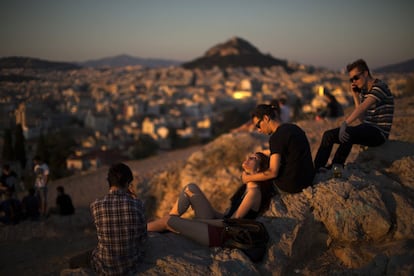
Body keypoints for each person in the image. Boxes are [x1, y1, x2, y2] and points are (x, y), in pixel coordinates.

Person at [147, 152, 275, 247]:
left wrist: (201, 221)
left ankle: (140, 229)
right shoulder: (245, 189)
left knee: (168, 220)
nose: (248, 159)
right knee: (190, 188)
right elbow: (226, 216)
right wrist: (208, 215)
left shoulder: (253, 193)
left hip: (220, 235)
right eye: (249, 156)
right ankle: (171, 224)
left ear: (259, 169)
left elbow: (231, 223)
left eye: (253, 158)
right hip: (217, 225)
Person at [314, 59, 394, 171]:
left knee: (348, 134)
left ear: (365, 73)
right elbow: (362, 119)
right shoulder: (365, 91)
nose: (354, 82)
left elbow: (362, 107)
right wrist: (356, 96)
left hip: (379, 133)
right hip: (367, 128)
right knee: (328, 135)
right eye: (351, 79)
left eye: (356, 78)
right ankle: (317, 169)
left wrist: (344, 124)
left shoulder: (379, 87)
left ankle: (336, 167)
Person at [242, 104, 315, 194]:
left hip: (293, 185)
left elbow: (272, 172)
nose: (259, 130)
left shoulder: (276, 138)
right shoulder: (294, 128)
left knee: (259, 185)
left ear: (266, 118)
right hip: (307, 179)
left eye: (258, 125)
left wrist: (247, 178)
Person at [90, 163, 147, 275]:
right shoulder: (138, 204)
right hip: (131, 266)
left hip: (104, 268)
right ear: (127, 183)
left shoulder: (95, 205)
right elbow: (143, 239)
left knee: (95, 251)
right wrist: (134, 199)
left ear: (109, 182)